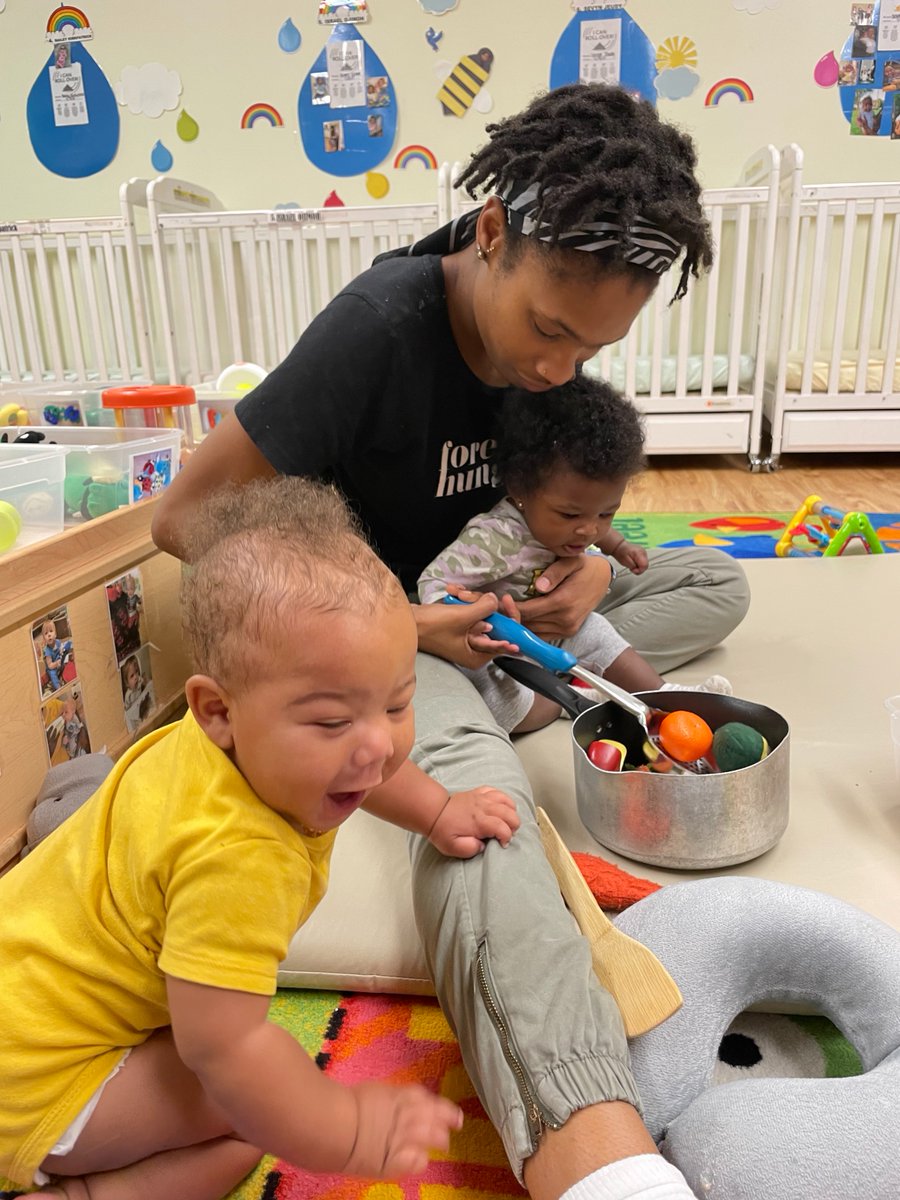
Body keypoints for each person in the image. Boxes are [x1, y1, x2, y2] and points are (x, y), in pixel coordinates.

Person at [153, 84, 752, 1200]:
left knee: (718, 577)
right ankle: (591, 1145)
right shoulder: (380, 330)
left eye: (596, 345)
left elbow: (563, 474)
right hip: (401, 631)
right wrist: (401, 624)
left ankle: (522, 678)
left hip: (503, 592)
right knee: (479, 814)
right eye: (550, 331)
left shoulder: (547, 339)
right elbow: (182, 519)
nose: (560, 368)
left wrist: (581, 562)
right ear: (488, 234)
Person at [0, 477, 520, 1198]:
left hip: (22, 994)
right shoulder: (242, 859)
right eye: (332, 721)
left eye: (398, 703)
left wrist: (436, 811)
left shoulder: (224, 736)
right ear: (217, 709)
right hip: (35, 1085)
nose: (378, 745)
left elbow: (367, 766)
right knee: (259, 1119)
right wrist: (344, 1128)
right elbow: (225, 1049)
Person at [418, 377, 731, 734]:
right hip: (500, 645)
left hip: (557, 633)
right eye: (570, 515)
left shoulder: (583, 519)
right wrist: (467, 618)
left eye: (606, 513)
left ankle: (663, 698)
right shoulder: (495, 538)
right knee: (501, 704)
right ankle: (572, 700)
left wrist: (618, 549)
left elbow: (597, 529)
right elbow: (432, 582)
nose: (589, 531)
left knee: (596, 629)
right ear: (520, 490)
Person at [39, 619, 73, 695]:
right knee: (53, 675)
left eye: (51, 631)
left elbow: (61, 648)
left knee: (68, 644)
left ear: (55, 634)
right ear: (44, 639)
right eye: (46, 633)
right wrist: (56, 663)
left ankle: (71, 656)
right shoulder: (47, 651)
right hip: (52, 667)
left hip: (59, 660)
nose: (49, 635)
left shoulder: (57, 641)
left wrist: (62, 650)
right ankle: (58, 687)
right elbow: (50, 665)